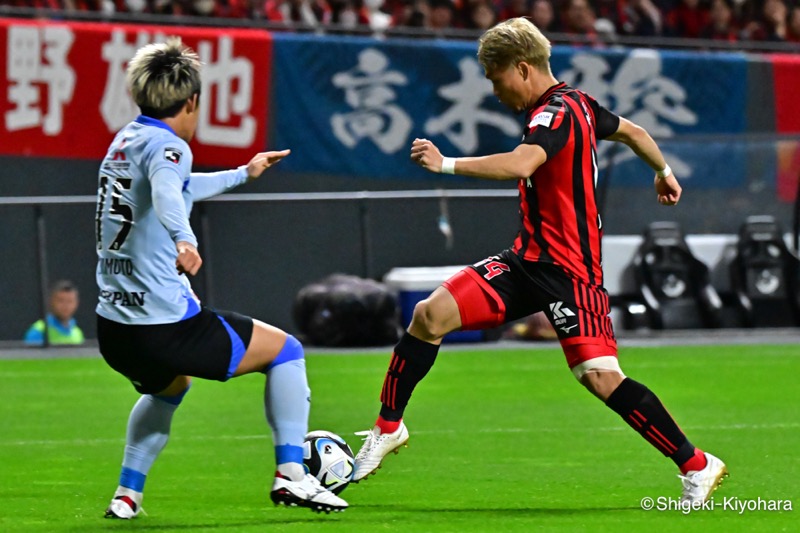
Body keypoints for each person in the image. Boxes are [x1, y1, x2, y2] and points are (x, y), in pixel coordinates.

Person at [353, 17, 728, 505]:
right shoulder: (582, 104)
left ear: (523, 69)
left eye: (496, 77)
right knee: (430, 314)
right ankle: (388, 428)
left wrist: (446, 164)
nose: (494, 89)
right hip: (525, 261)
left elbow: (522, 162)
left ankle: (698, 465)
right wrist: (664, 171)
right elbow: (633, 132)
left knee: (599, 377)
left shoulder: (553, 114)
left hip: (570, 273)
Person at [96, 38, 347, 519]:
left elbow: (178, 187)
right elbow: (171, 195)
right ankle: (292, 475)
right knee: (286, 351)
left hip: (115, 328)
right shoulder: (170, 145)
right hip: (163, 325)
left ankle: (127, 495)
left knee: (170, 388)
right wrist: (185, 241)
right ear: (191, 101)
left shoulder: (127, 140)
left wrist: (242, 173)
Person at [24, 280, 85, 345]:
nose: (66, 305)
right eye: (61, 301)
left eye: (70, 301)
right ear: (51, 302)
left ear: (77, 303)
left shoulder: (77, 333)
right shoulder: (39, 331)